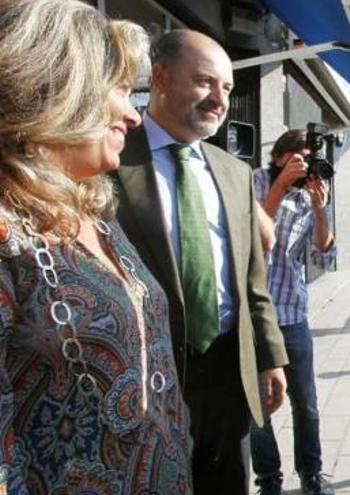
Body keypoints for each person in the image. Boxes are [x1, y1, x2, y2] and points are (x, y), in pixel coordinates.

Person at [0, 0, 192, 493]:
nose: (133, 114)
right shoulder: (7, 234)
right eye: (123, 91)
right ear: (62, 86)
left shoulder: (94, 212)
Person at [112, 29, 289, 495]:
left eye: (227, 88)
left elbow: (252, 281)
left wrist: (270, 358)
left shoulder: (232, 171)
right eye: (205, 82)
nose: (219, 99)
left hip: (228, 374)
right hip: (147, 377)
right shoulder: (110, 159)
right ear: (161, 78)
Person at [249, 129, 336, 495]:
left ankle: (311, 473)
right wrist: (279, 186)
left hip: (293, 312)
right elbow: (250, 234)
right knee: (259, 406)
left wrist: (319, 210)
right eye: (298, 157)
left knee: (307, 404)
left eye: (308, 159)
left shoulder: (308, 196)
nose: (304, 166)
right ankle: (269, 478)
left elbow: (322, 254)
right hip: (255, 312)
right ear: (279, 157)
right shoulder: (256, 181)